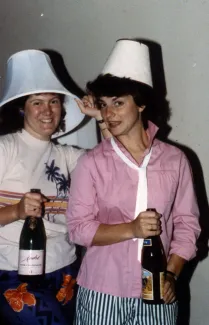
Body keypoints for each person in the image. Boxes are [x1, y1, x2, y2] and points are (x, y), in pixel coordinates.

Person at [67, 39, 201, 325]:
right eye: (103, 105)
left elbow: (188, 225)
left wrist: (171, 274)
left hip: (159, 294)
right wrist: (132, 229)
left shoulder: (175, 160)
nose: (109, 113)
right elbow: (78, 229)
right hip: (103, 292)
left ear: (141, 104)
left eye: (118, 103)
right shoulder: (91, 162)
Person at [0, 49, 109, 325]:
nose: (47, 110)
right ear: (23, 107)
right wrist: (16, 210)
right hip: (14, 274)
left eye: (53, 101)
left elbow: (112, 163)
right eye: (37, 102)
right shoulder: (6, 148)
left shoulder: (67, 155)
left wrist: (101, 117)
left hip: (67, 271)